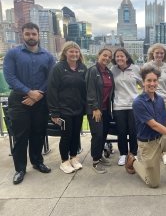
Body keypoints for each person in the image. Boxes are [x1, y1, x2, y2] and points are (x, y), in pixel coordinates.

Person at [3, 22, 55, 185]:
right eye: (28, 34)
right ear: (22, 35)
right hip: (19, 100)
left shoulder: (48, 56)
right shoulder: (13, 54)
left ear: (38, 35)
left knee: (38, 133)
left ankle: (37, 162)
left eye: (33, 34)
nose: (31, 37)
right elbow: (10, 77)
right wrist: (29, 92)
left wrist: (38, 94)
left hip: (40, 99)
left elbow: (51, 78)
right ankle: (20, 169)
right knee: (20, 136)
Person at [47, 41, 87, 174]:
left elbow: (86, 89)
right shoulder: (58, 68)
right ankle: (64, 161)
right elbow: (52, 90)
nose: (74, 54)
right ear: (65, 53)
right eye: (71, 51)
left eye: (76, 51)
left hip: (78, 109)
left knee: (76, 135)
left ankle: (74, 157)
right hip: (64, 110)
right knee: (66, 135)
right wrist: (54, 112)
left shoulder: (82, 68)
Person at [111, 48, 141, 166]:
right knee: (121, 132)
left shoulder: (135, 69)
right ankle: (123, 154)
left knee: (134, 131)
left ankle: (133, 154)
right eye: (117, 56)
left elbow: (143, 84)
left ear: (126, 57)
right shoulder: (112, 70)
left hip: (133, 105)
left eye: (121, 56)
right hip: (118, 106)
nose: (119, 58)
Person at [86, 48, 114, 174]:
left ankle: (100, 155)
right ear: (99, 55)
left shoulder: (109, 72)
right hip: (96, 110)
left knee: (103, 134)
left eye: (109, 57)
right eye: (104, 55)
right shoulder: (93, 70)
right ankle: (95, 161)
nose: (107, 58)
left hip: (106, 109)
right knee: (97, 135)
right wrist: (95, 108)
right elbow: (90, 90)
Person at [144, 43, 166, 165]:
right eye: (157, 53)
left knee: (164, 126)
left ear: (164, 55)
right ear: (152, 54)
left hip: (165, 99)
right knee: (153, 126)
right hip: (151, 99)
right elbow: (143, 81)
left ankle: (165, 152)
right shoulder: (147, 66)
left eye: (162, 53)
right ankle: (157, 151)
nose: (159, 55)